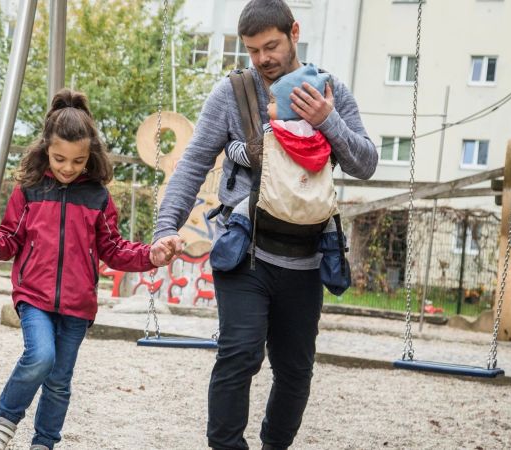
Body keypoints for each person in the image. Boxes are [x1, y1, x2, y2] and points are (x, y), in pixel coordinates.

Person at [150, 1, 377, 449]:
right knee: (239, 354)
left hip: (307, 255)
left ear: (294, 32)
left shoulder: (328, 90)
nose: (262, 59)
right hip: (245, 250)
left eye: (270, 46)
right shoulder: (232, 94)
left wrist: (326, 120)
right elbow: (194, 163)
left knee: (295, 369)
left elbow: (365, 163)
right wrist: (165, 229)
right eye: (252, 50)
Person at [0, 89, 165, 450]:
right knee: (40, 357)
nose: (68, 168)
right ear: (45, 151)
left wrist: (151, 256)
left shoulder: (98, 197)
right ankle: (5, 424)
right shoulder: (30, 191)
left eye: (78, 161)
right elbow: (9, 238)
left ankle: (44, 443)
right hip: (34, 298)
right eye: (59, 159)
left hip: (77, 305)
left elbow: (113, 250)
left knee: (59, 380)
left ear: (90, 156)